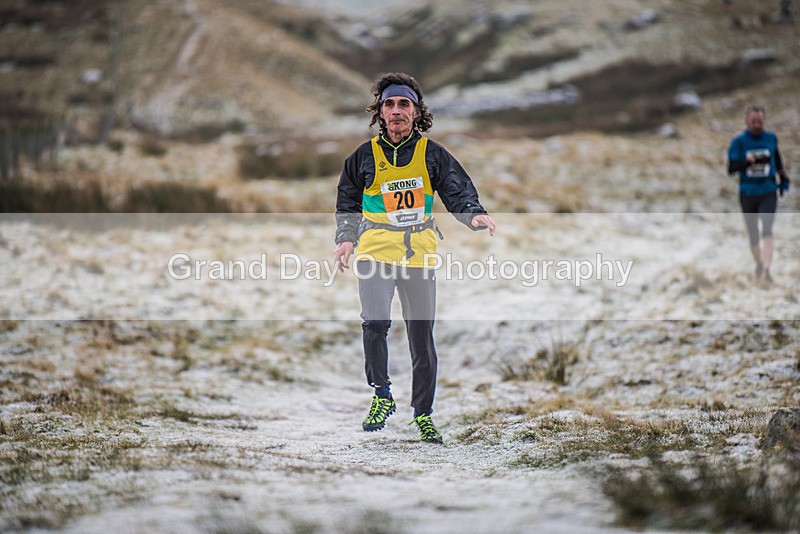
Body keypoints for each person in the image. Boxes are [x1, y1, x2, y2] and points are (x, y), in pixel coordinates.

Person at [333, 72, 496, 444]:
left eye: (403, 104)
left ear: (416, 111)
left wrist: (473, 213)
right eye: (389, 104)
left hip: (418, 253)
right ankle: (381, 394)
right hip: (375, 250)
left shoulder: (431, 154)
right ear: (379, 112)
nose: (396, 111)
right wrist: (344, 239)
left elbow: (456, 189)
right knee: (374, 323)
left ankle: (423, 414)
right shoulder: (362, 157)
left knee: (421, 337)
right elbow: (347, 204)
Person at [727, 105, 791, 283]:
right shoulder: (738, 142)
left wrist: (783, 178)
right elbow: (731, 169)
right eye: (754, 122)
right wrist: (749, 162)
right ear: (747, 122)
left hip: (768, 190)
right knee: (753, 234)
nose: (757, 125)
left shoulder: (771, 139)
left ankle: (768, 268)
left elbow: (777, 160)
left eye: (760, 122)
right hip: (747, 193)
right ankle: (760, 263)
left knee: (767, 229)